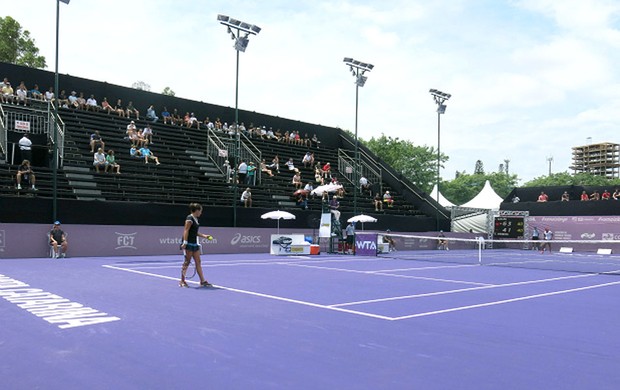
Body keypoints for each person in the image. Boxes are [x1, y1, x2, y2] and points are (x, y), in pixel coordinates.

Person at [179, 203, 213, 288]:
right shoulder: (189, 218)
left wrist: (204, 236)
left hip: (194, 243)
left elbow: (194, 232)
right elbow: (186, 230)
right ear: (197, 210)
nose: (201, 213)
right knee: (187, 262)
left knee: (198, 262)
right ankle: (182, 281)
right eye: (200, 211)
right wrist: (185, 242)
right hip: (189, 243)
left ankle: (202, 281)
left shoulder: (195, 219)